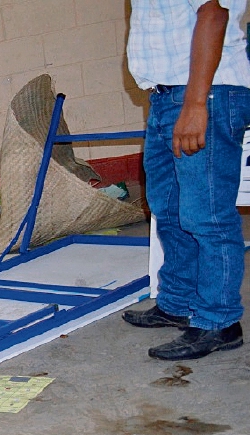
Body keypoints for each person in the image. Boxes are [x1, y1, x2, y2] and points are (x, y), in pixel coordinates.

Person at [121, 0, 250, 360]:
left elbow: (214, 13)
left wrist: (195, 104)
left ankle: (219, 321)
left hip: (204, 92)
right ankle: (177, 302)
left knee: (206, 214)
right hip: (167, 96)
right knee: (169, 206)